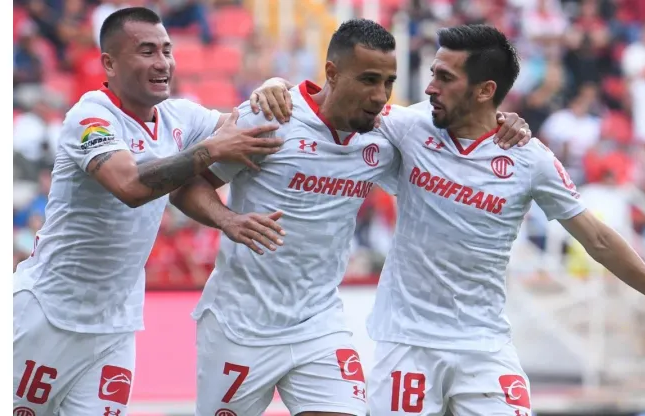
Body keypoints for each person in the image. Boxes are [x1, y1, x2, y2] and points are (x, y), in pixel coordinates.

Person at [255, 23, 645, 416]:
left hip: (484, 347)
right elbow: (331, 108)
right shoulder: (406, 128)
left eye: (445, 77)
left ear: (485, 90)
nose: (429, 88)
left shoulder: (528, 158)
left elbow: (597, 238)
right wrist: (276, 87)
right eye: (432, 73)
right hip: (407, 343)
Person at [168, 19, 532, 416]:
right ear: (332, 73)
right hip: (238, 326)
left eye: (389, 82)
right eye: (369, 80)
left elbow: (455, 136)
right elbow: (187, 188)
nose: (380, 96)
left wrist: (503, 120)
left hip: (319, 326)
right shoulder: (271, 119)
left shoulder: (382, 138)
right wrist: (228, 220)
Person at [12, 7, 285, 416]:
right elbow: (131, 186)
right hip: (46, 314)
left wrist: (274, 87)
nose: (163, 63)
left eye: (167, 50)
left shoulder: (181, 117)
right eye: (147, 51)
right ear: (110, 62)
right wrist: (210, 150)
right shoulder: (89, 117)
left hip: (115, 330)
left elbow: (241, 126)